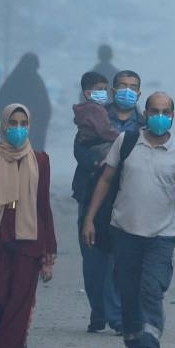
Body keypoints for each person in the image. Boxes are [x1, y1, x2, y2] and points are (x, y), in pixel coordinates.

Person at [82, 92, 175, 348]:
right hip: (124, 231)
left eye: (165, 112)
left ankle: (151, 342)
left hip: (162, 235)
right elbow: (106, 180)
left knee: (152, 289)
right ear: (145, 113)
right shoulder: (127, 141)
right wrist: (90, 219)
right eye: (154, 111)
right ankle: (134, 340)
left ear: (172, 116)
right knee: (128, 291)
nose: (159, 116)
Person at [0, 104, 57, 348]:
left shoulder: (40, 160)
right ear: (3, 125)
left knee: (21, 296)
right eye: (13, 123)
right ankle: (6, 339)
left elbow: (43, 204)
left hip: (30, 234)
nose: (18, 129)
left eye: (23, 124)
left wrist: (49, 248)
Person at [71, 71, 119, 333]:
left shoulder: (138, 119)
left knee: (115, 258)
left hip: (118, 198)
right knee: (92, 257)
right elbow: (82, 150)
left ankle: (113, 313)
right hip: (89, 193)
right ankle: (98, 311)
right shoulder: (97, 114)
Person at [0, 53, 51, 152]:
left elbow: (0, 99)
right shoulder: (37, 82)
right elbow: (46, 109)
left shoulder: (13, 79)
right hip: (33, 131)